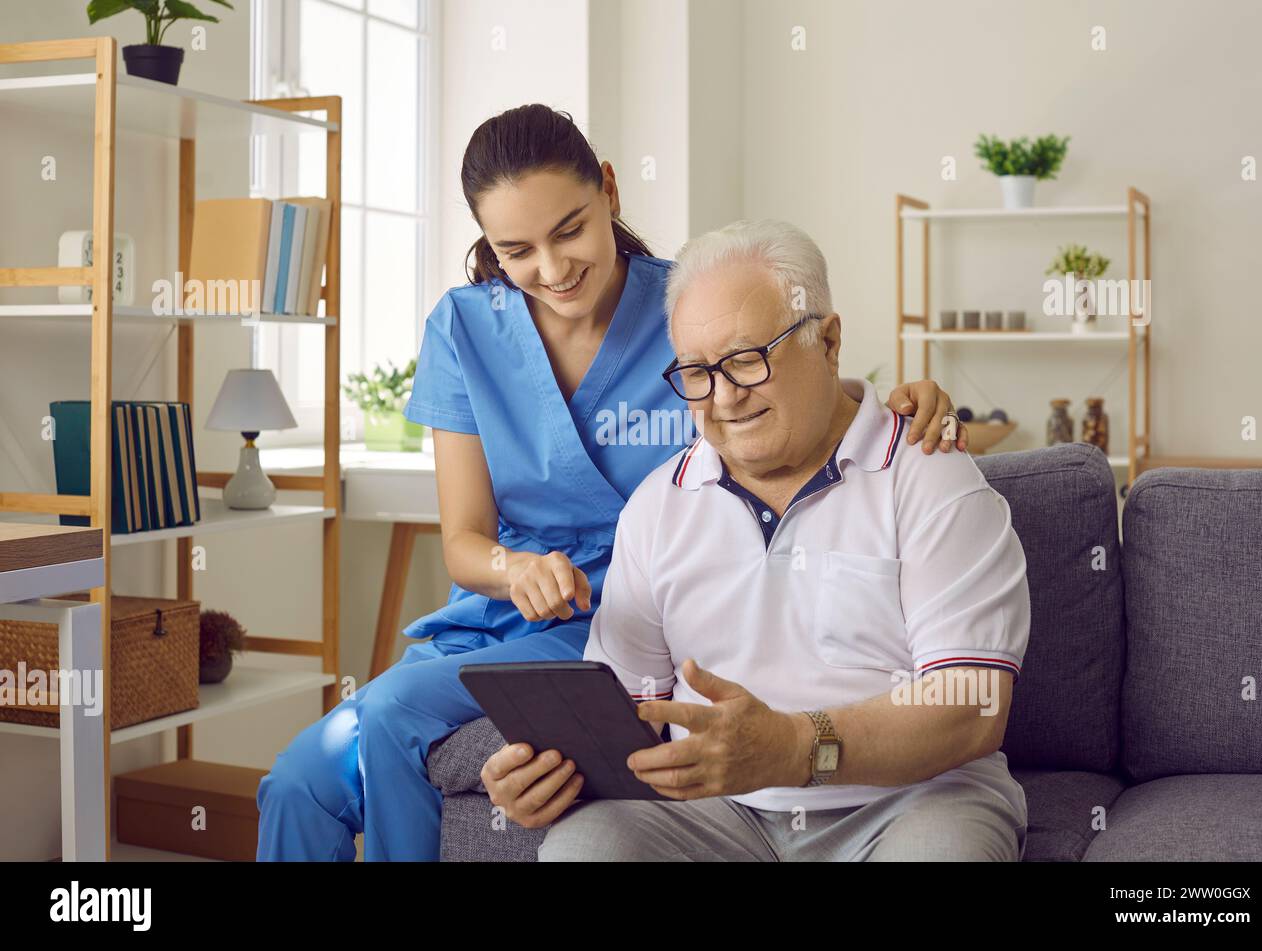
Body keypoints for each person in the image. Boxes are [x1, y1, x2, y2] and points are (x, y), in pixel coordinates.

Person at [256, 106, 968, 861]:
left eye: (569, 230)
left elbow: (786, 395)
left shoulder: (685, 306)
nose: (553, 269)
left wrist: (905, 400)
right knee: (298, 781)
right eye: (516, 250)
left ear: (609, 191)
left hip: (627, 618)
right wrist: (516, 569)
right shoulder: (464, 328)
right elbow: (466, 540)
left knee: (396, 707)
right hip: (498, 617)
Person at [480, 220, 1029, 862]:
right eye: (696, 372)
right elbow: (626, 713)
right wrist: (548, 775)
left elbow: (973, 706)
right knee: (583, 850)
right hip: (717, 813)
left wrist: (794, 748)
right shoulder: (658, 506)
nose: (724, 399)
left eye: (746, 361)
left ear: (827, 341)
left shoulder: (929, 473)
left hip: (912, 800)